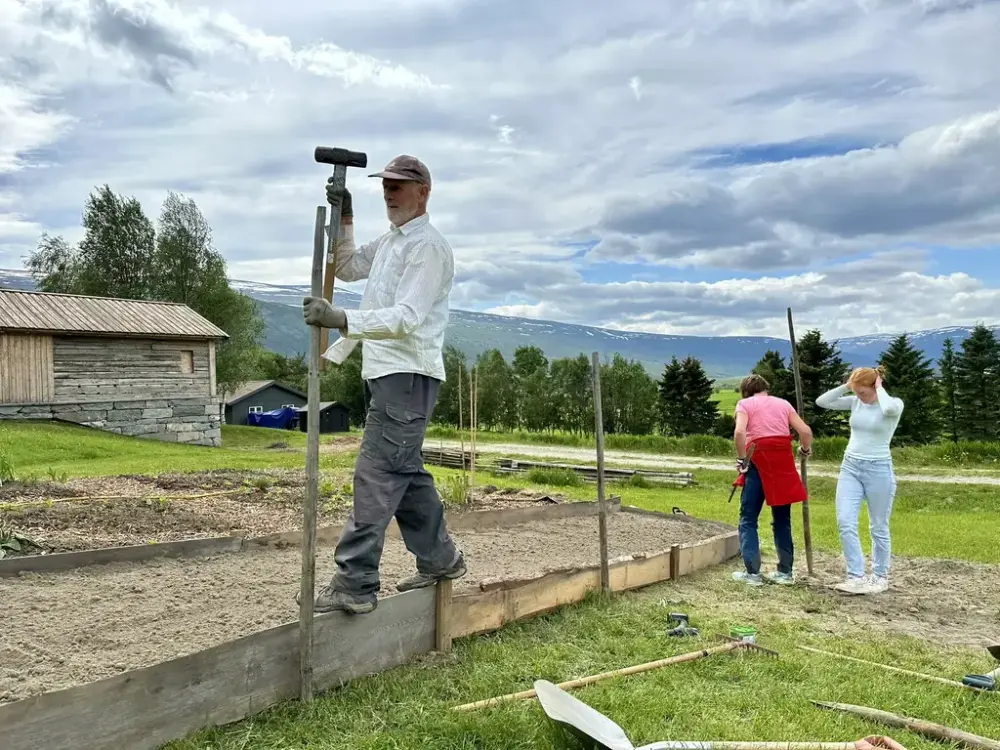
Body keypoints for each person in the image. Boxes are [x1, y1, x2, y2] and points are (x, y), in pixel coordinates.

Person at [300, 154, 466, 614]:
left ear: (423, 192)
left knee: (375, 475)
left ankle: (354, 584)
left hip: (407, 374)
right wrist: (345, 216)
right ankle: (440, 560)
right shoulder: (393, 241)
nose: (390, 193)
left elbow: (409, 317)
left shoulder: (427, 247)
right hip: (387, 372)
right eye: (386, 185)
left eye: (399, 185)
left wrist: (342, 318)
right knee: (404, 473)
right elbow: (349, 266)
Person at [816, 366, 903, 595]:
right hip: (851, 467)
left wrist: (878, 387)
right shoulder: (855, 401)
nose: (860, 397)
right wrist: (849, 385)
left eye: (863, 392)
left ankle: (880, 576)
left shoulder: (892, 404)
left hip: (879, 469)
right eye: (856, 393)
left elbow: (888, 408)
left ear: (875, 386)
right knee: (845, 521)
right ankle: (856, 576)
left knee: (878, 526)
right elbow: (822, 401)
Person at [731, 373, 813, 587]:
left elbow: (740, 432)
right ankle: (785, 572)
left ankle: (753, 573)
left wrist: (741, 459)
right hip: (782, 459)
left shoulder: (745, 404)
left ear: (746, 391)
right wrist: (804, 449)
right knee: (782, 519)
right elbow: (805, 431)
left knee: (748, 517)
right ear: (765, 388)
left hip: (757, 458)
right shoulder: (783, 404)